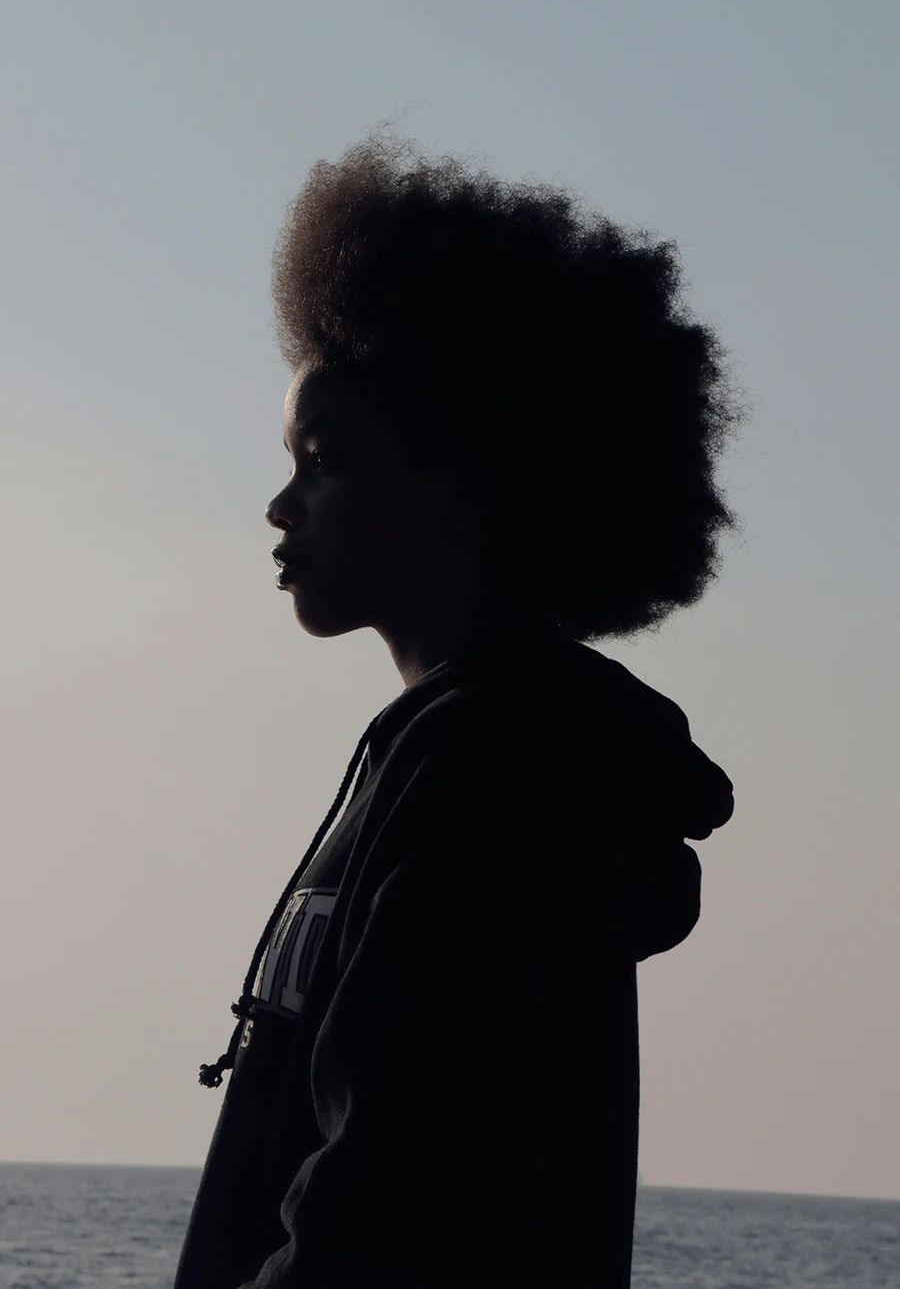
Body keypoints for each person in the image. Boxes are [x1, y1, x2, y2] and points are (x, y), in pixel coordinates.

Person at [173, 130, 746, 1289]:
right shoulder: (468, 753)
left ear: (464, 486)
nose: (282, 506)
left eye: (326, 460)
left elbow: (394, 1203)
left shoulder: (488, 774)